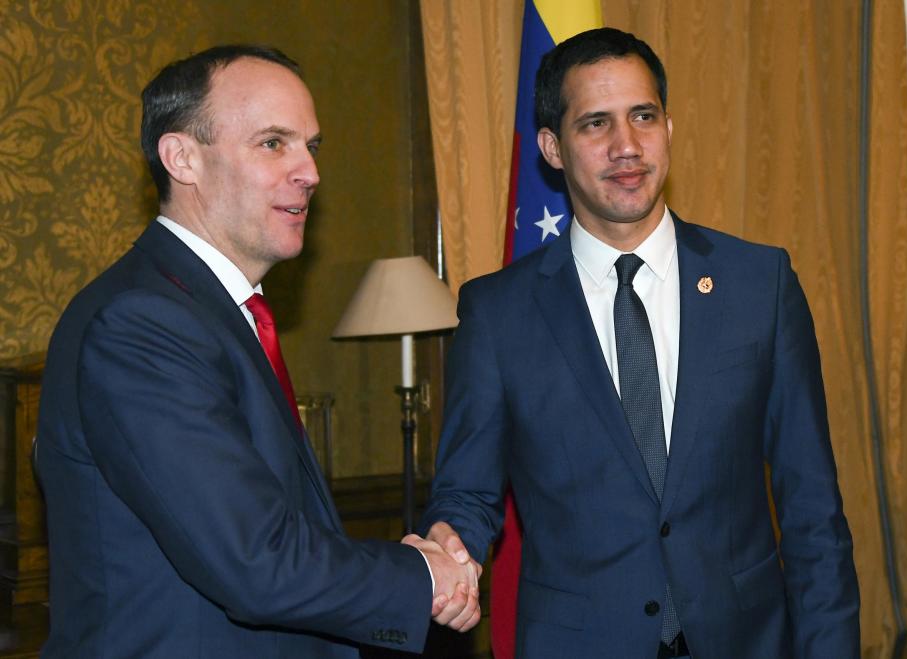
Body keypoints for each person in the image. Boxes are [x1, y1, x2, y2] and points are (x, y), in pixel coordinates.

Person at [419, 27, 860, 659]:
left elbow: (813, 508)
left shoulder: (760, 285)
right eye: (596, 124)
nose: (627, 146)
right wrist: (447, 542)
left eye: (643, 117)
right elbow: (468, 491)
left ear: (669, 129)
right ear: (551, 146)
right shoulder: (498, 313)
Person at [36, 44, 479, 658]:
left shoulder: (213, 311)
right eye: (274, 143)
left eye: (311, 145)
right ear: (182, 157)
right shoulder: (142, 324)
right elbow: (257, 561)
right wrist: (426, 576)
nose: (310, 172)